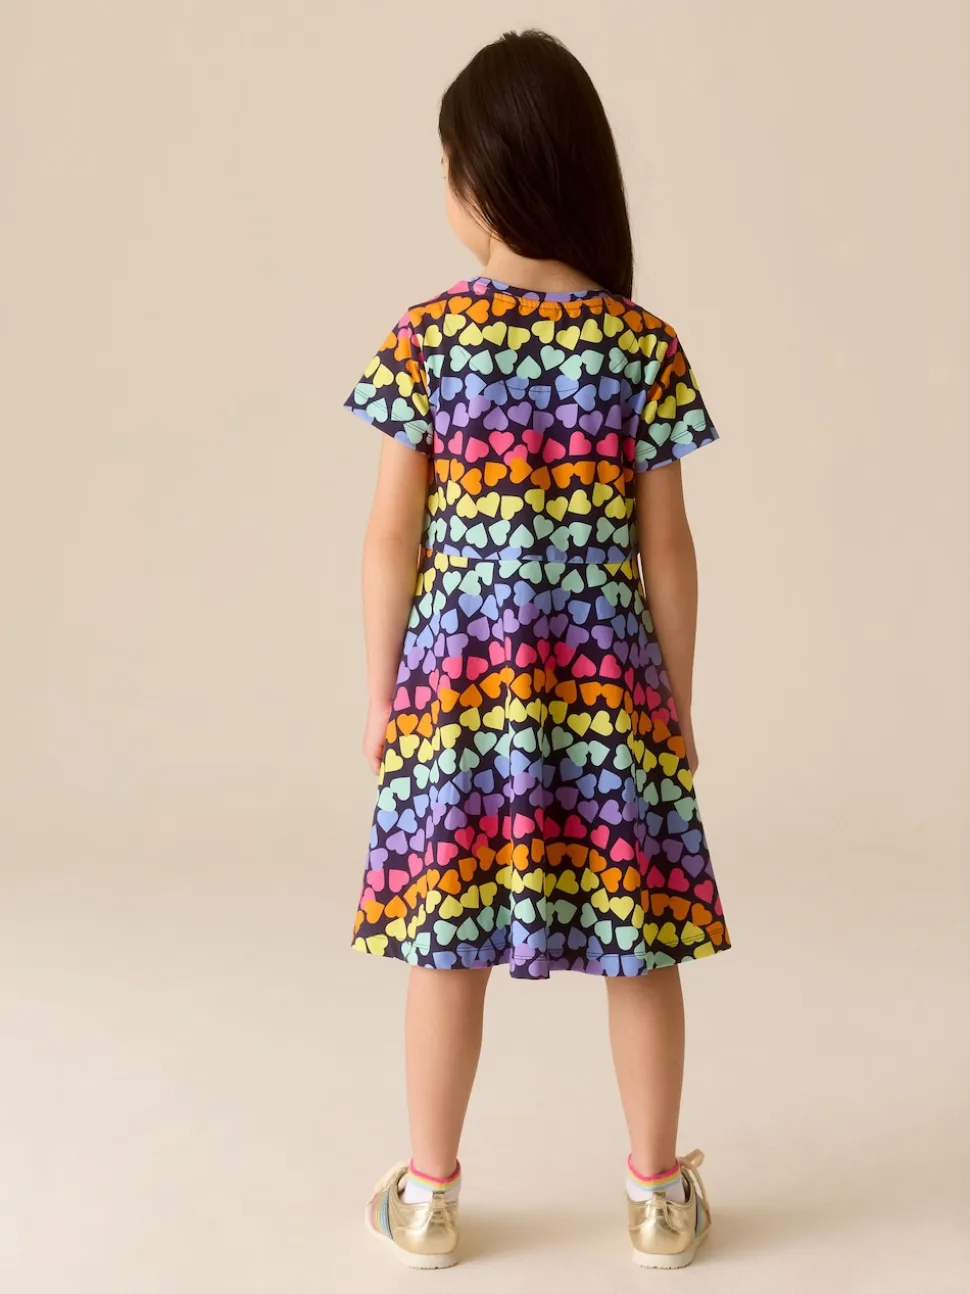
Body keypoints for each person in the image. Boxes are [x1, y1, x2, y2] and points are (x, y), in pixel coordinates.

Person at [342, 28, 731, 1272]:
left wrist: (383, 697)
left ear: (485, 174)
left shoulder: (426, 338)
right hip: (611, 693)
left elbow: (390, 539)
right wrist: (674, 703)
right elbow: (667, 551)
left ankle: (426, 1197)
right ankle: (657, 1197)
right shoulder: (641, 345)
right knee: (639, 940)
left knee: (443, 942)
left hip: (458, 692)